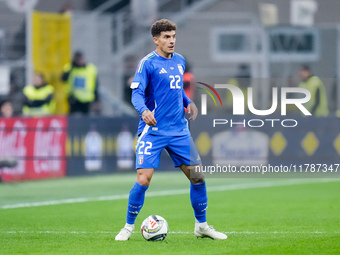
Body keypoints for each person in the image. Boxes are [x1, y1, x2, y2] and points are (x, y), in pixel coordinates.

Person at [115, 19, 227, 241]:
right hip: (153, 129)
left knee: (198, 177)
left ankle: (202, 226)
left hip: (179, 130)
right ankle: (127, 227)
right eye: (166, 37)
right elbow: (136, 94)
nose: (171, 41)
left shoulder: (180, 61)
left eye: (173, 36)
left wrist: (188, 101)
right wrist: (144, 111)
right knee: (143, 179)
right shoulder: (147, 63)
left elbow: (175, 90)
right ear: (155, 40)